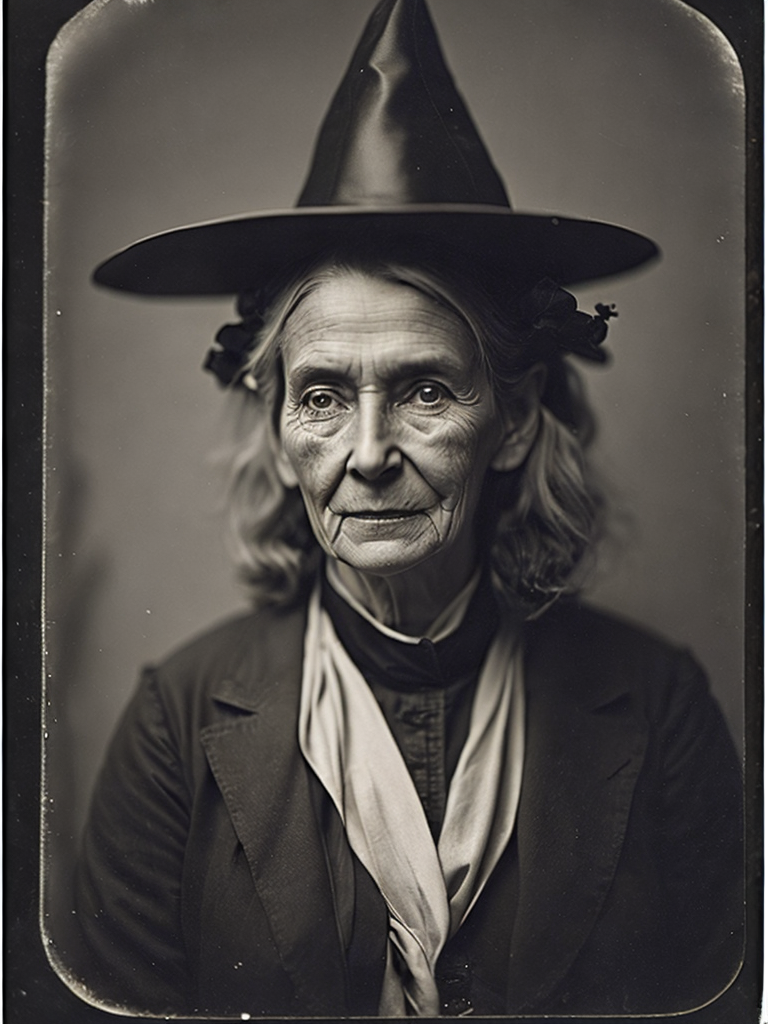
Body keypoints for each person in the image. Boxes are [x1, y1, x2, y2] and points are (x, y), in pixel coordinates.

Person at [71, 0, 743, 1017]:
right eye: (325, 395)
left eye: (426, 389)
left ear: (512, 421)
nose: (370, 453)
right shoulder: (176, 720)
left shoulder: (658, 706)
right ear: (278, 427)